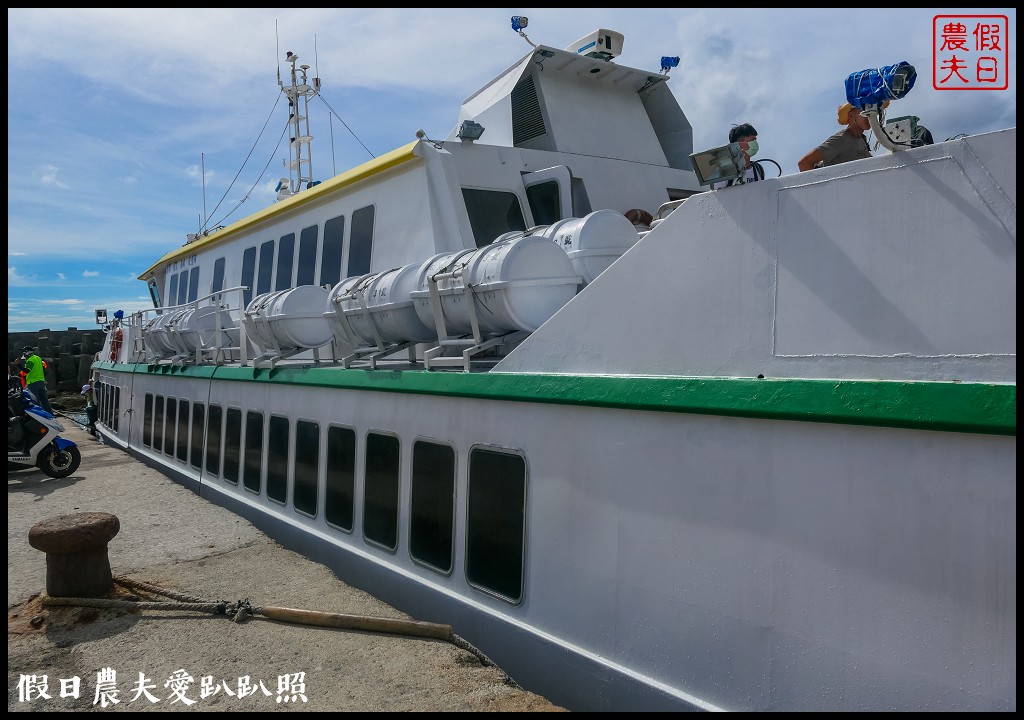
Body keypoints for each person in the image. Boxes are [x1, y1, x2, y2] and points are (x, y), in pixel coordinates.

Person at [797, 103, 873, 171]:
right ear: (851, 115)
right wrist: (823, 187)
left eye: (870, 113)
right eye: (864, 112)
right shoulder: (842, 139)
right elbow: (804, 163)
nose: (869, 116)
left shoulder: (862, 140)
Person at [712, 123, 764, 189]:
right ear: (739, 143)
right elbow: (718, 196)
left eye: (755, 140)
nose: (755, 143)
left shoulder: (758, 168)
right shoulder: (725, 170)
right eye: (752, 140)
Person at [17, 346, 54, 415]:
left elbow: (27, 371)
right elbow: (43, 370)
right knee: (44, 400)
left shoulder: (30, 360)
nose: (23, 353)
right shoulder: (38, 358)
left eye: (24, 352)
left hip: (33, 383)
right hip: (41, 382)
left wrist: (18, 364)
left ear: (27, 352)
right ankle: (50, 415)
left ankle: (40, 417)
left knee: (35, 400)